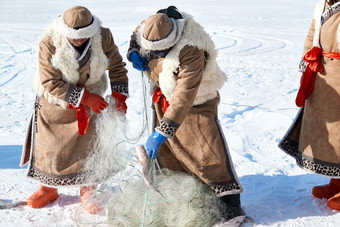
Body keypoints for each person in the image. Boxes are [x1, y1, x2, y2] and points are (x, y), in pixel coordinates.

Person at [127, 6, 244, 220]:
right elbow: (137, 32)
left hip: (197, 103)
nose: (157, 55)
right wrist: (134, 51)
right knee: (172, 151)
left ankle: (230, 206)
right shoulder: (154, 24)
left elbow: (184, 95)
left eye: (161, 51)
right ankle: (187, 196)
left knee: (207, 152)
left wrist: (161, 132)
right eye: (153, 51)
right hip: (164, 99)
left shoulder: (192, 48)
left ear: (173, 38)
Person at [20, 6, 128, 213]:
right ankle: (48, 188)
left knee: (89, 148)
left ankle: (88, 188)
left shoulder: (103, 36)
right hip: (56, 102)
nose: (78, 40)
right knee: (52, 148)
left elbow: (116, 66)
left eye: (83, 37)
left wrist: (119, 95)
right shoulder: (49, 42)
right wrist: (85, 98)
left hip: (92, 99)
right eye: (74, 37)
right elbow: (50, 81)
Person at [279, 0, 340, 211]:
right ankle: (336, 181)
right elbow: (314, 30)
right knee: (329, 134)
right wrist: (307, 60)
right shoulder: (324, 3)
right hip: (323, 76)